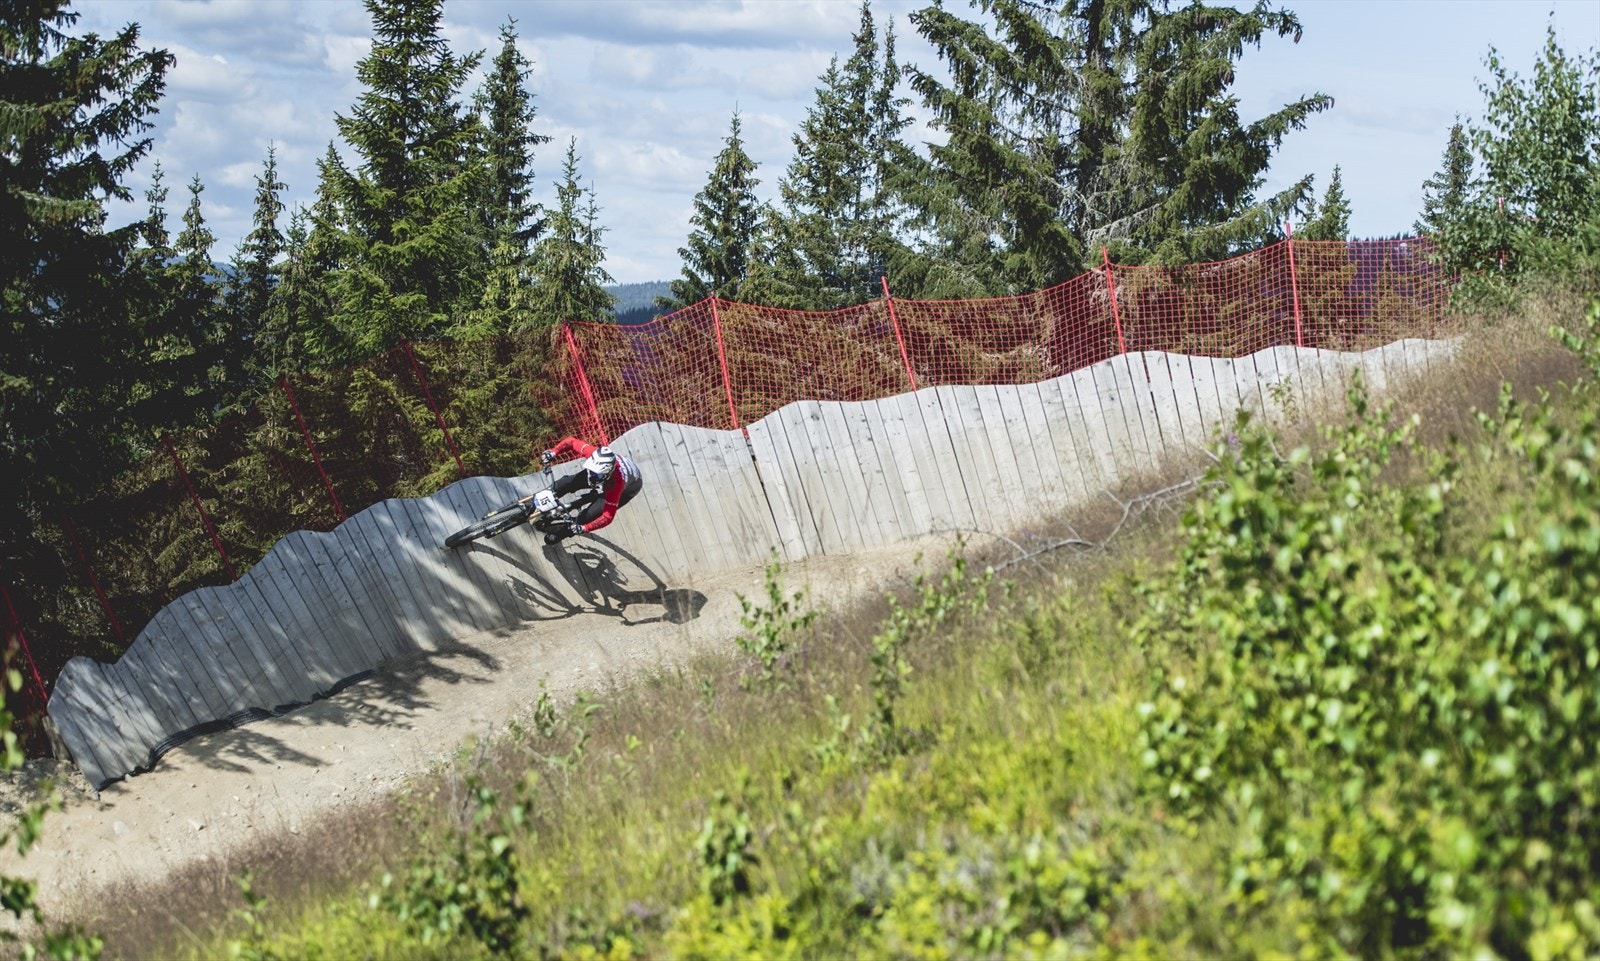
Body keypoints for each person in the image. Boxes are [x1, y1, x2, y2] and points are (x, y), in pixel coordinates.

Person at [537, 436, 644, 545]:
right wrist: (554, 452)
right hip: (604, 472)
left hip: (630, 487)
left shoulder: (617, 484)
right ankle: (539, 499)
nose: (592, 476)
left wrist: (584, 528)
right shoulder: (593, 454)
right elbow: (571, 441)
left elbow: (607, 517)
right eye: (591, 472)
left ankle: (562, 533)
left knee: (591, 514)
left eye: (596, 475)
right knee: (569, 482)